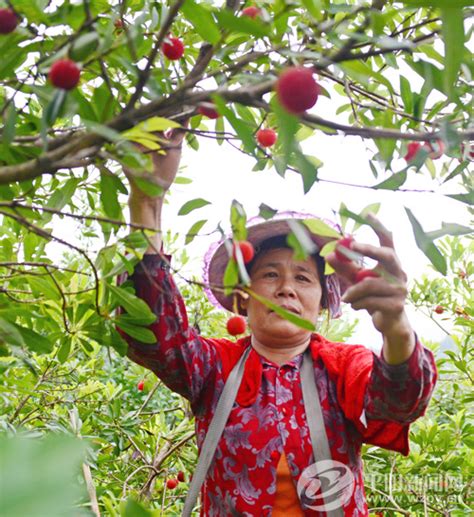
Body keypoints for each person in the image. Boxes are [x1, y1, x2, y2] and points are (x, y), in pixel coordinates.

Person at [120, 125, 437, 516]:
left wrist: (396, 326)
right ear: (243, 297)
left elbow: (398, 401)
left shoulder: (342, 368)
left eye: (303, 278)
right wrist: (146, 204)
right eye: (269, 274)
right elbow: (154, 333)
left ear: (323, 301)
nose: (287, 287)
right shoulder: (214, 369)